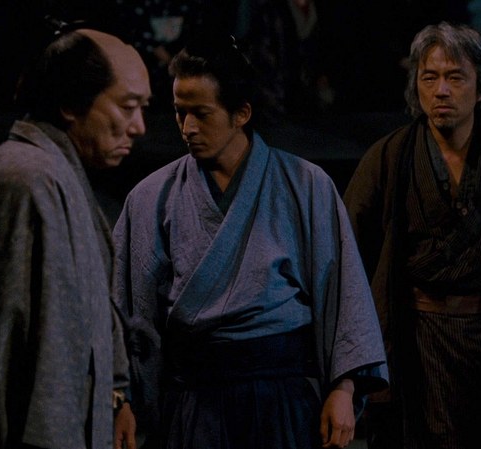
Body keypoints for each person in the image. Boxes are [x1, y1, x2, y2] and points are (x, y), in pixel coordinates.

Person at [113, 31, 388, 449]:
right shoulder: (151, 197)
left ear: (241, 113)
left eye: (201, 113)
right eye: (180, 112)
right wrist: (124, 397)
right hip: (191, 400)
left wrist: (343, 388)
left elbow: (342, 293)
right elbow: (128, 310)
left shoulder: (306, 186)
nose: (187, 128)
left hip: (281, 395)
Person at [343, 21, 481, 449]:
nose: (441, 90)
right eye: (430, 77)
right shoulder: (389, 157)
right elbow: (348, 256)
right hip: (415, 335)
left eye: (455, 77)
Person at [0, 27, 151, 448]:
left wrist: (115, 392)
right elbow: (33, 348)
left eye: (143, 108)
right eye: (127, 107)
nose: (139, 127)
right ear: (70, 105)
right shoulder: (28, 179)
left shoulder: (57, 175)